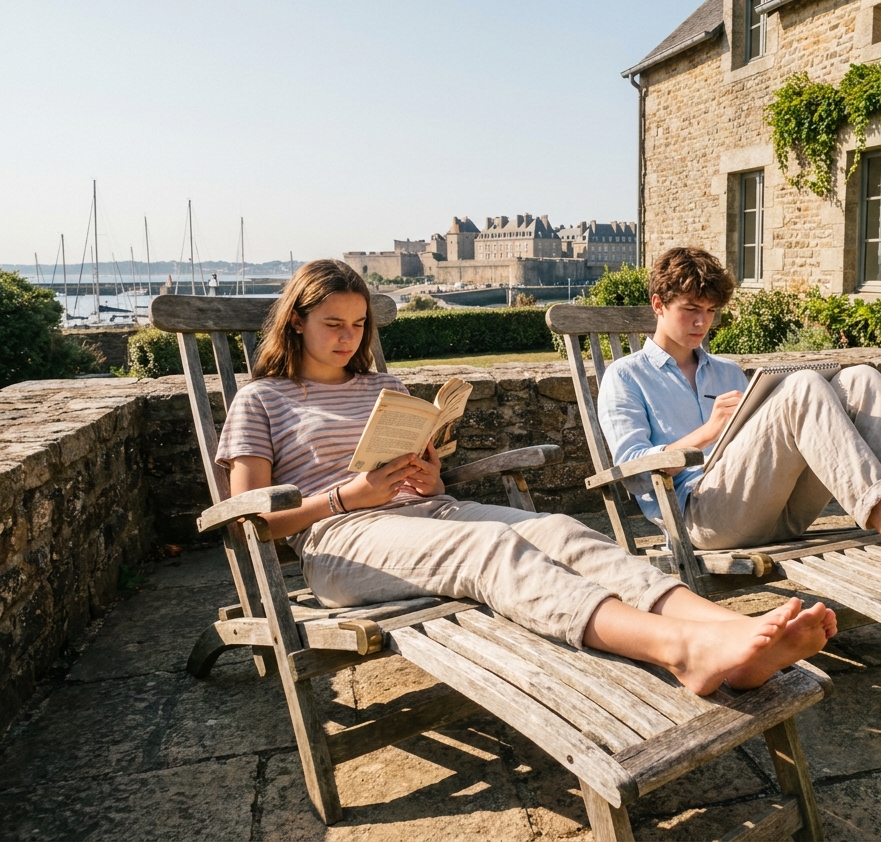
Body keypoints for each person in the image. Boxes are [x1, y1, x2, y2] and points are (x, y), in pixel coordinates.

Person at [215, 259, 836, 697]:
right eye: (333, 325)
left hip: (427, 517)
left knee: (564, 531)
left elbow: (418, 482)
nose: (349, 339)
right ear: (296, 321)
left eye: (358, 326)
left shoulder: (382, 385)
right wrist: (350, 495)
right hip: (341, 543)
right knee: (493, 549)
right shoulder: (262, 400)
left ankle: (734, 631)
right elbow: (255, 523)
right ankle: (679, 650)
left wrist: (427, 479)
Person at [596, 247, 881, 610]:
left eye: (710, 312)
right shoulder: (625, 377)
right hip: (702, 520)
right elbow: (632, 475)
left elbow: (759, 450)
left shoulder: (726, 371)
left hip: (778, 508)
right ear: (658, 305)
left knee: (861, 378)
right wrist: (706, 433)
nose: (702, 323)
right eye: (690, 310)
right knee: (802, 387)